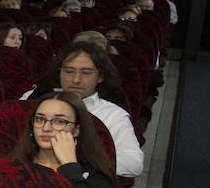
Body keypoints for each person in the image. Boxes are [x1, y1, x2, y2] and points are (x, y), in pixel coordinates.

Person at [28, 41, 143, 178]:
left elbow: (134, 163)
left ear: (100, 76)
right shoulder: (36, 102)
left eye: (86, 73)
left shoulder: (113, 115)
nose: (76, 80)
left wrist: (71, 158)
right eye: (69, 71)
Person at [11, 92, 115, 188]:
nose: (46, 128)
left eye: (59, 122)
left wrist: (69, 166)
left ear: (76, 130)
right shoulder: (15, 164)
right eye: (40, 119)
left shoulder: (94, 173)